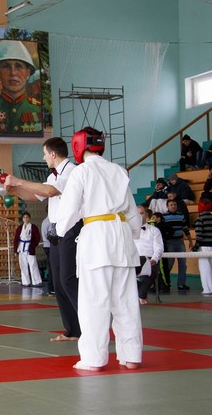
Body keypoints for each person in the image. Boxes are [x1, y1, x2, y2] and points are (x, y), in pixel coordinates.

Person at [55, 127, 142, 371]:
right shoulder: (118, 171)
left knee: (94, 302)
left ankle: (93, 360)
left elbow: (69, 210)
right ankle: (132, 356)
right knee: (125, 302)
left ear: (78, 146)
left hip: (96, 238)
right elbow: (133, 214)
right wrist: (132, 234)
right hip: (122, 236)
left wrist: (59, 230)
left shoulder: (81, 172)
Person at [4, 137, 81, 342]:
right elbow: (34, 196)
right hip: (56, 233)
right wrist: (14, 190)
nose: (44, 157)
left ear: (53, 154)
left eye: (45, 154)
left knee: (69, 280)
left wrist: (19, 181)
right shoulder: (53, 175)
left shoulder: (72, 171)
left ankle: (89, 328)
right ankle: (73, 330)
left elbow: (50, 191)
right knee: (58, 283)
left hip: (72, 230)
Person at [0, 40, 42, 135]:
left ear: (28, 73)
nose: (13, 73)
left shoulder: (38, 109)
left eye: (19, 66)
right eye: (6, 66)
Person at [134, 206, 164, 305]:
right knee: (125, 271)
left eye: (141, 213)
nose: (139, 216)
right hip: (134, 260)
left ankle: (140, 294)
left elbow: (159, 247)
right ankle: (140, 294)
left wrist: (154, 259)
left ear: (146, 215)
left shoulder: (154, 230)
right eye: (137, 214)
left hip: (149, 260)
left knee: (153, 269)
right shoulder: (128, 231)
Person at [162, 199, 194, 290]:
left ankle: (181, 284)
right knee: (169, 263)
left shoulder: (181, 215)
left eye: (175, 204)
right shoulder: (164, 217)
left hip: (180, 242)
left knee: (183, 263)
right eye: (171, 205)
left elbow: (185, 229)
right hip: (169, 243)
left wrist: (190, 241)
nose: (173, 206)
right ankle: (165, 282)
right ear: (167, 206)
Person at [193, 199, 212, 294]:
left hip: (204, 247)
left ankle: (208, 290)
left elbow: (199, 235)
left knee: (205, 269)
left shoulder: (200, 219)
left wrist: (195, 247)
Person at [13, 212, 42, 287]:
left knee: (33, 265)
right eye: (24, 217)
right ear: (22, 219)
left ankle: (37, 282)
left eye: (27, 217)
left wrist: (33, 246)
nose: (25, 219)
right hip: (21, 248)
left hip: (30, 247)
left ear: (29, 218)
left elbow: (37, 238)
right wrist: (15, 250)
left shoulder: (33, 227)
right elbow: (16, 239)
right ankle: (26, 282)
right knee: (23, 265)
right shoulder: (19, 228)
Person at [40, 215, 55, 295]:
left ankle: (53, 288)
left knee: (53, 268)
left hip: (51, 246)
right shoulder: (46, 222)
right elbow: (45, 236)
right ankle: (51, 289)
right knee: (52, 268)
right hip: (49, 246)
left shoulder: (53, 220)